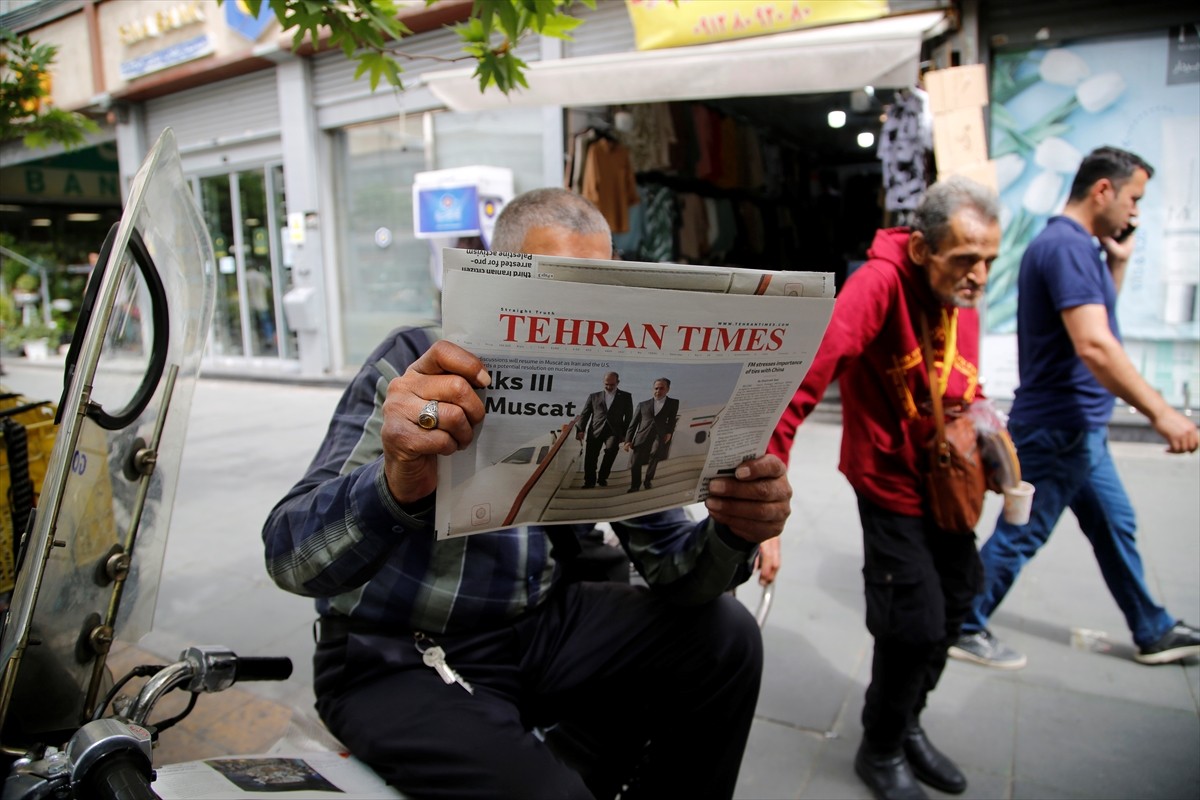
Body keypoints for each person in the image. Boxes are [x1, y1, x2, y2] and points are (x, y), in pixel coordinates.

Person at [262, 187, 792, 800]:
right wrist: (393, 483)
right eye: (561, 290)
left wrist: (732, 530)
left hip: (534, 625)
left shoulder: (619, 388)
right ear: (503, 279)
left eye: (603, 290)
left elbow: (674, 569)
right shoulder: (414, 367)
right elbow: (288, 556)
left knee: (727, 638)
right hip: (397, 654)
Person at [769, 176, 1001, 800]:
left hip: (948, 485)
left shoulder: (959, 292)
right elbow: (806, 378)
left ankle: (907, 724)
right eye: (965, 260)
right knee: (912, 623)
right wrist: (767, 499)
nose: (978, 275)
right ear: (923, 251)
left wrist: (989, 434)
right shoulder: (879, 283)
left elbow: (964, 384)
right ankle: (880, 748)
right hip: (889, 482)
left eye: (988, 261)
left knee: (957, 603)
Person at [951, 147, 1200, 670]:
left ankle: (1152, 628)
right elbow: (1094, 344)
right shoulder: (1063, 247)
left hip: (1077, 426)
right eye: (1133, 198)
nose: (1136, 211)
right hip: (1060, 427)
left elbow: (1093, 323)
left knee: (1116, 524)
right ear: (1102, 190)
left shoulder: (1077, 248)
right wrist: (1163, 413)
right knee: (1022, 533)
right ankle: (962, 622)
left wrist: (1117, 261)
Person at [575, 371, 632, 488]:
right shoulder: (593, 396)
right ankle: (589, 482)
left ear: (618, 383)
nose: (609, 387)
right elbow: (585, 414)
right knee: (591, 456)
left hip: (614, 431)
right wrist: (581, 429)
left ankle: (602, 477)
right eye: (606, 384)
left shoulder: (626, 396)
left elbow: (629, 417)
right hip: (595, 430)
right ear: (603, 383)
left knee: (611, 452)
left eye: (612, 384)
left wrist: (625, 434)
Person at [623, 377, 679, 492]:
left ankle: (648, 480)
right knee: (635, 462)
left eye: (661, 388)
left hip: (659, 434)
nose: (658, 391)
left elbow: (672, 419)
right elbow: (633, 424)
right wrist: (628, 440)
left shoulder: (673, 403)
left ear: (668, 389)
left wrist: (669, 432)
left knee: (655, 454)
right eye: (656, 388)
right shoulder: (642, 405)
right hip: (642, 435)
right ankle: (635, 485)